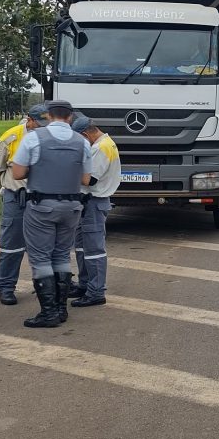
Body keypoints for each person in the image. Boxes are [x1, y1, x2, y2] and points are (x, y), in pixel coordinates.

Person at [11, 99, 92, 328]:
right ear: (70, 117)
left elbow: (17, 174)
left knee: (40, 258)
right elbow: (86, 179)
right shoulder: (82, 142)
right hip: (72, 207)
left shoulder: (34, 138)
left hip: (41, 206)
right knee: (62, 255)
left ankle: (48, 313)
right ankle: (61, 309)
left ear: (48, 115)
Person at [0, 103, 49, 305]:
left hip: (42, 198)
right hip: (16, 198)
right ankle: (6, 287)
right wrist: (12, 183)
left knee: (44, 246)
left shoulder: (50, 137)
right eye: (38, 124)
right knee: (11, 245)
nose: (41, 127)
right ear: (29, 120)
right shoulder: (12, 136)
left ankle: (46, 286)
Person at [70, 115, 121, 308]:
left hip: (94, 202)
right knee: (83, 246)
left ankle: (96, 292)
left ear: (85, 134)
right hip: (87, 203)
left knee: (94, 250)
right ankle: (85, 285)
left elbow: (89, 180)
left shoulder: (102, 148)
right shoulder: (101, 144)